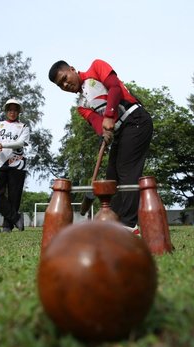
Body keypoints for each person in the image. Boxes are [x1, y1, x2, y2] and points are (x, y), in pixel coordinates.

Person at [48, 59, 153, 233]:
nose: (66, 84)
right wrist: (104, 132)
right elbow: (98, 124)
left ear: (72, 69)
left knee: (126, 170)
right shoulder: (81, 106)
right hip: (120, 131)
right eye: (61, 85)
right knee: (111, 177)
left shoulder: (96, 67)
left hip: (135, 120)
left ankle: (129, 224)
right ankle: (114, 223)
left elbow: (114, 88)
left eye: (65, 78)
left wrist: (109, 115)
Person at [0, 98, 30, 232]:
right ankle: (16, 218)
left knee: (14, 196)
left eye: (15, 110)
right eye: (10, 109)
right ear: (6, 111)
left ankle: (7, 225)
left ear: (18, 112)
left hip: (17, 164)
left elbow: (20, 143)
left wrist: (2, 144)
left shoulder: (24, 127)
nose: (12, 112)